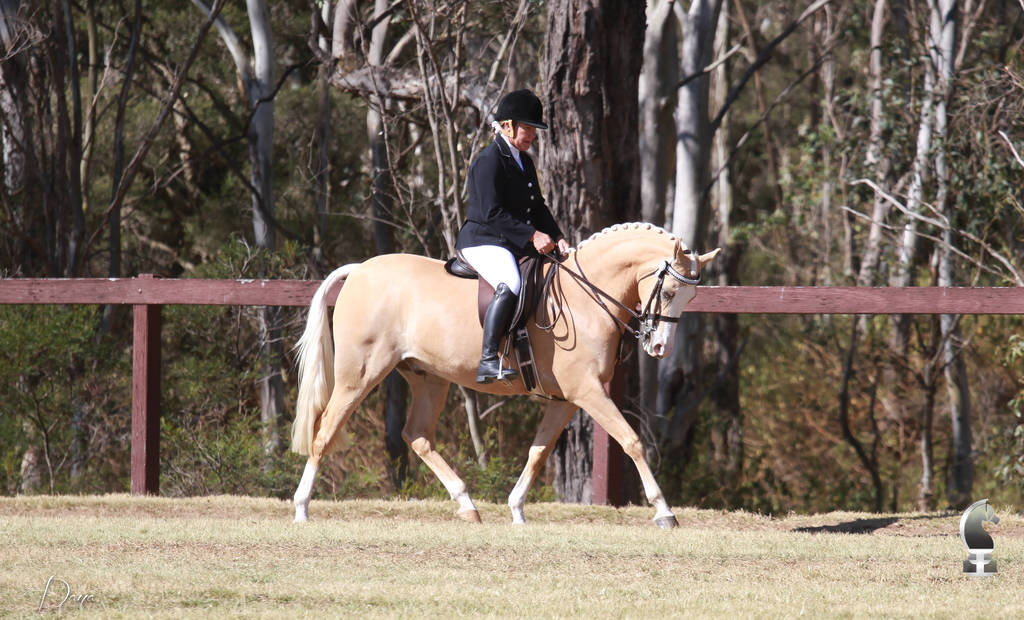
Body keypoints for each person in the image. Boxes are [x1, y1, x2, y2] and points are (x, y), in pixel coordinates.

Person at [456, 89, 571, 384]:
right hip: (482, 239)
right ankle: (488, 361)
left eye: (535, 129)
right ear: (507, 125)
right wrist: (532, 235)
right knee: (511, 282)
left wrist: (557, 236)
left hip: (507, 240)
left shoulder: (524, 161)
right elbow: (492, 213)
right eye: (528, 127)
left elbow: (537, 206)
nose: (533, 134)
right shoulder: (489, 160)